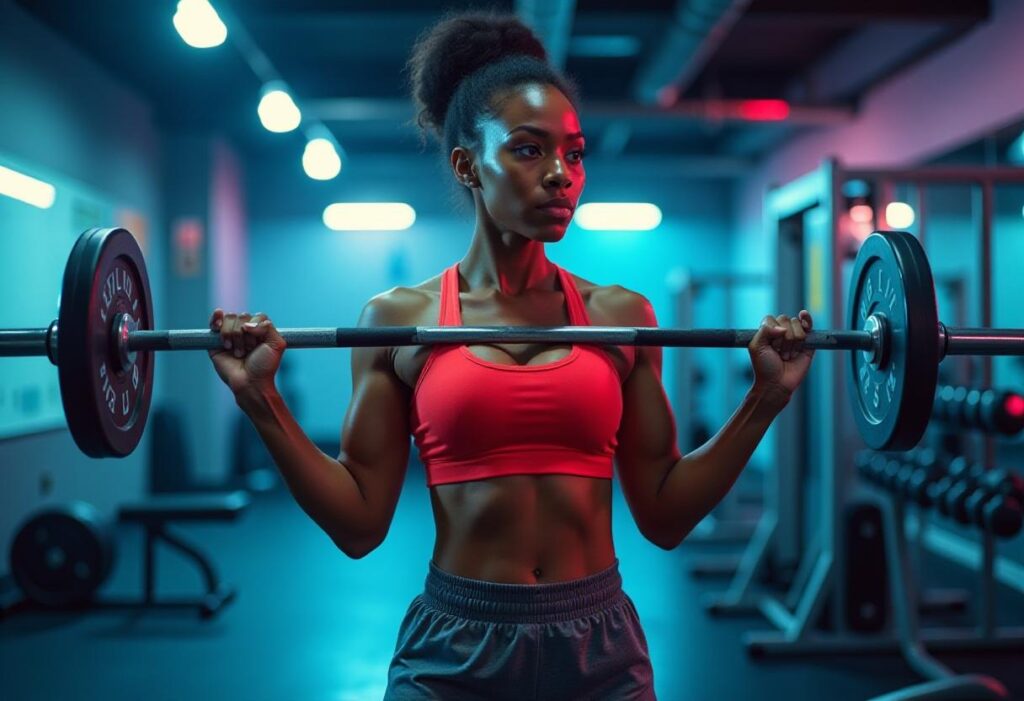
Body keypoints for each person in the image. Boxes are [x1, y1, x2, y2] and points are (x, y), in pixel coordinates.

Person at [207, 11, 814, 701]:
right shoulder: (397, 321)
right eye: (529, 150)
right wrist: (262, 400)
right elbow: (358, 524)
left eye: (575, 153)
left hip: (599, 649)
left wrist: (767, 398)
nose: (561, 175)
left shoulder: (622, 318)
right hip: (454, 646)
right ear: (468, 164)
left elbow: (667, 514)